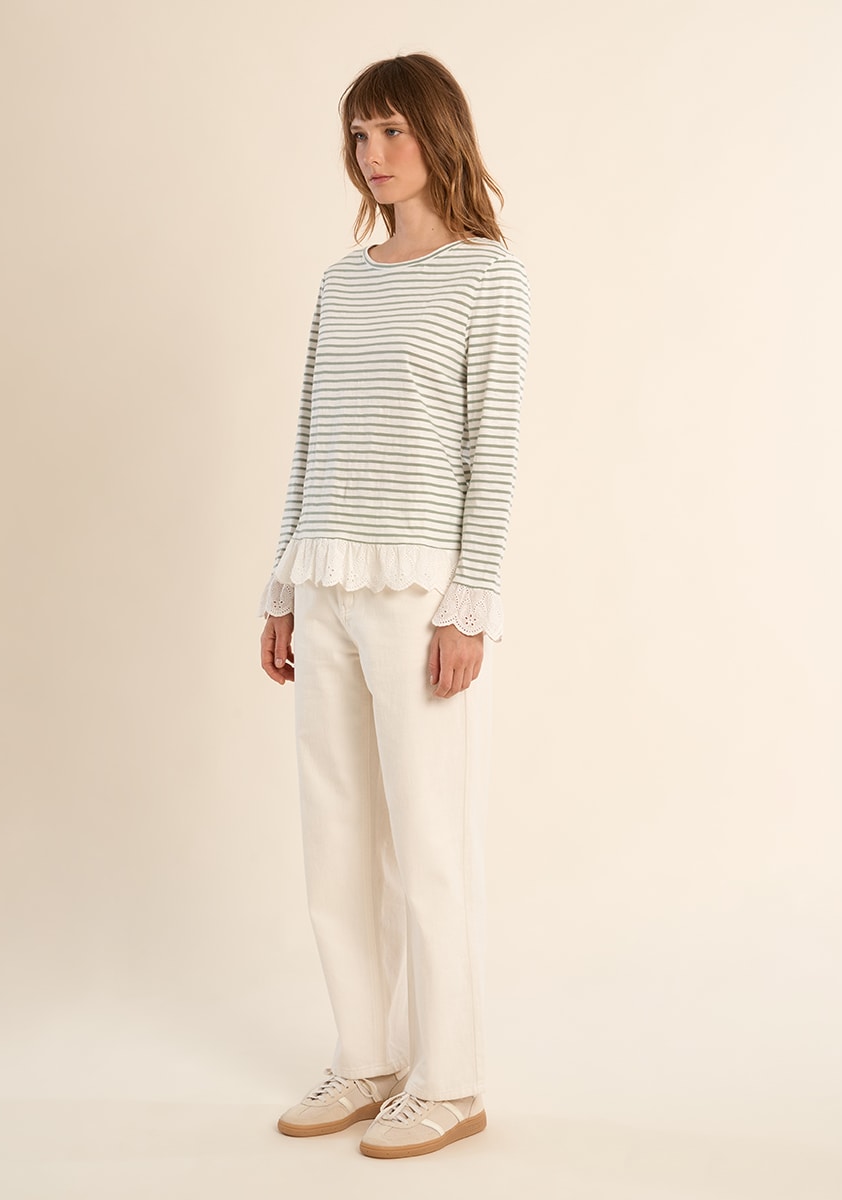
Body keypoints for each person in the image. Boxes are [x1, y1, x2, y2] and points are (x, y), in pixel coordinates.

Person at [258, 51, 530, 1159]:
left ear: (436, 134)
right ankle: (366, 1058)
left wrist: (469, 606)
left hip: (417, 594)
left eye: (391, 131)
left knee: (428, 840)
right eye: (359, 135)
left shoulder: (488, 277)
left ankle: (450, 1080)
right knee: (334, 836)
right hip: (324, 581)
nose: (372, 154)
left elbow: (491, 452)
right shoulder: (344, 280)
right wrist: (282, 583)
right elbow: (308, 437)